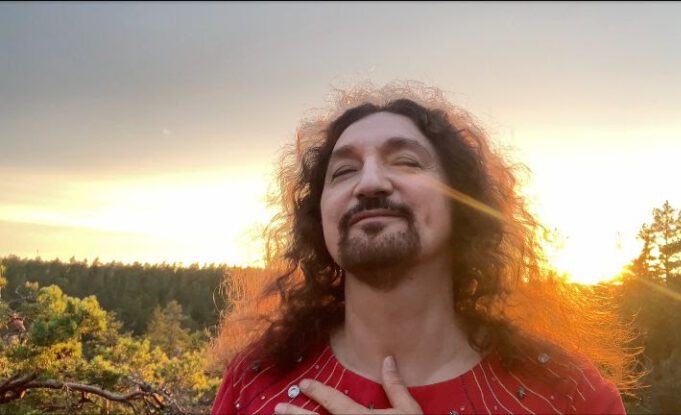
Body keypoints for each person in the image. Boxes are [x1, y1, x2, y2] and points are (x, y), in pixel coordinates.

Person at [210, 82, 635, 414]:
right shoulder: (254, 382)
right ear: (318, 218)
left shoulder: (570, 395)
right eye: (343, 171)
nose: (370, 182)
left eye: (406, 162)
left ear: (462, 202)